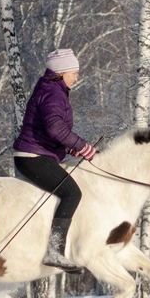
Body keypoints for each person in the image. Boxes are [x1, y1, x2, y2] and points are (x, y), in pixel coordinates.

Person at [13, 48, 97, 273]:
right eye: (74, 73)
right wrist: (82, 146)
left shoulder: (53, 89)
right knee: (72, 193)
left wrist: (71, 148)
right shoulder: (53, 92)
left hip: (39, 154)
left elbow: (53, 131)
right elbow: (55, 128)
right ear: (61, 72)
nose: (76, 78)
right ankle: (54, 251)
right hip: (33, 157)